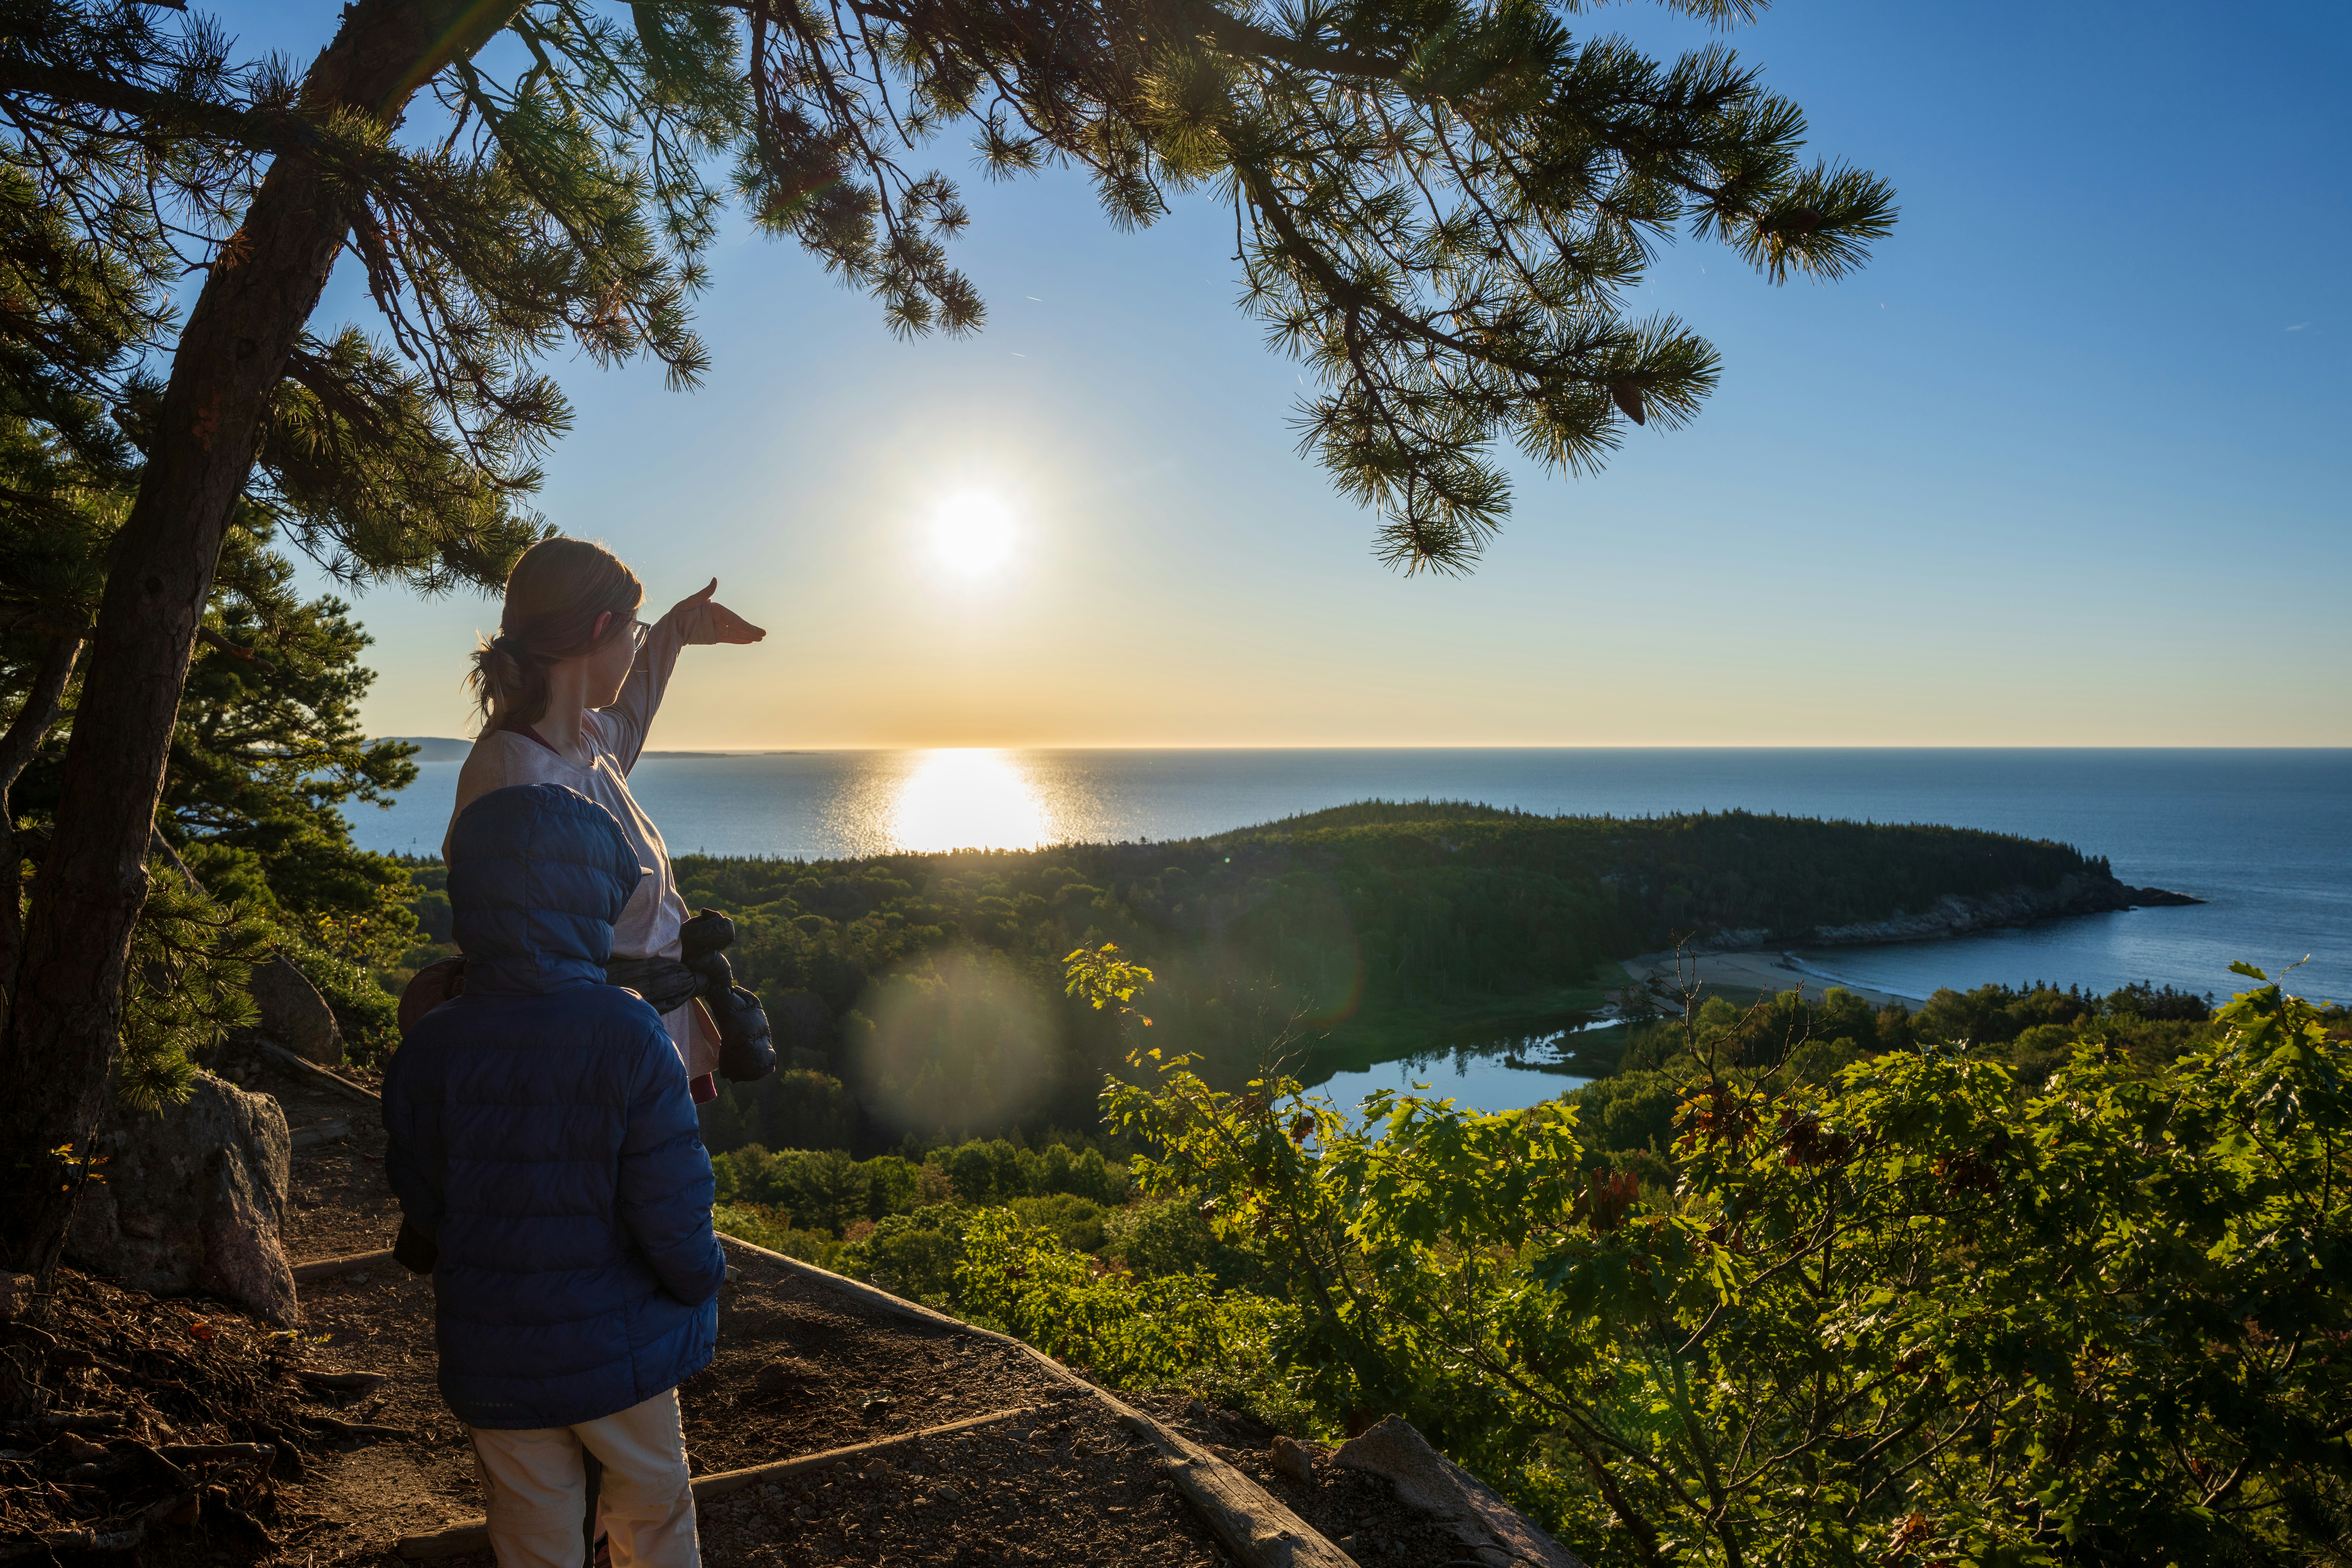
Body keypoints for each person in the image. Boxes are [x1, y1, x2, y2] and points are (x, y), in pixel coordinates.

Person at [385, 781, 726, 1568]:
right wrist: (700, 1278)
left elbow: (421, 1191)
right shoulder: (629, 1031)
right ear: (593, 899)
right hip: (621, 1344)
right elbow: (670, 1199)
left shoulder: (433, 1041)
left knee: (531, 1527)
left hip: (492, 1340)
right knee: (653, 1509)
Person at [451, 537, 766, 1101]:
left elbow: (634, 711)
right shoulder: (518, 778)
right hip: (598, 1073)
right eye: (633, 631)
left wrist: (673, 631)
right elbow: (523, 971)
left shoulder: (587, 739)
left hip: (642, 1044)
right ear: (601, 629)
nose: (635, 644)